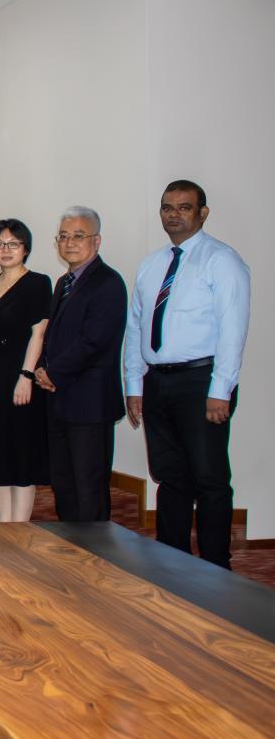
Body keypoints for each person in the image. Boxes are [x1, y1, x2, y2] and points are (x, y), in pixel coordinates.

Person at [124, 181, 249, 568]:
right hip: (157, 382)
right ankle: (172, 562)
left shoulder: (222, 260)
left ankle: (216, 567)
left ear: (202, 213)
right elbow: (136, 328)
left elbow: (233, 330)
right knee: (169, 476)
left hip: (201, 383)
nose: (173, 214)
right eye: (167, 207)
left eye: (184, 207)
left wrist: (221, 390)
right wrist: (134, 384)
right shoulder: (151, 265)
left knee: (209, 479)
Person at [34, 207, 127, 522]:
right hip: (59, 401)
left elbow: (93, 341)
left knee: (89, 488)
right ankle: (70, 547)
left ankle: (95, 550)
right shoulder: (64, 282)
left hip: (90, 404)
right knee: (64, 484)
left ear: (96, 240)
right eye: (63, 236)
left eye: (78, 235)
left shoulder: (108, 283)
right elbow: (53, 337)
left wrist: (53, 372)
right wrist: (43, 369)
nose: (69, 242)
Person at [0, 219, 51, 522]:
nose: (5, 250)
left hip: (21, 377)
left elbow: (38, 333)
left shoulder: (38, 283)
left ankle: (21, 527)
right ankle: (5, 526)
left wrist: (26, 376)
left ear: (25, 248)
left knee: (21, 454)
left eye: (13, 244)